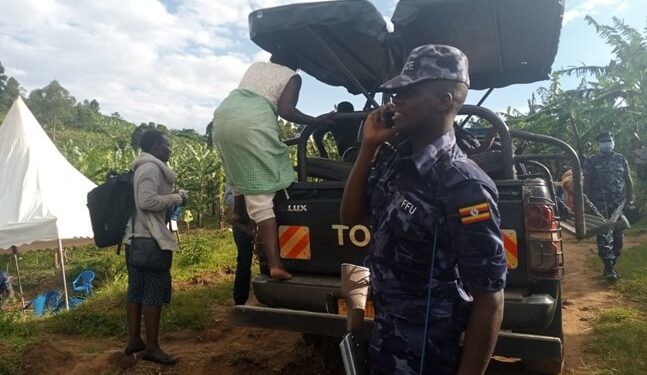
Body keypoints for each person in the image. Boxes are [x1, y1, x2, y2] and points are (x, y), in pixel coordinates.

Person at [341, 45, 507, 375]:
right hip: (386, 348)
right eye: (395, 94)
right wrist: (368, 147)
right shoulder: (398, 164)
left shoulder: (465, 185)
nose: (394, 101)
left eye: (406, 93)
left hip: (431, 360)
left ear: (444, 101)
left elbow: (490, 298)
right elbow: (350, 217)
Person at [212, 51, 332, 281]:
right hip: (251, 124)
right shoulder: (292, 77)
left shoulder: (256, 67)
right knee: (264, 178)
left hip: (223, 118)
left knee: (240, 166)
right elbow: (287, 111)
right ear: (297, 63)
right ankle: (276, 265)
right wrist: (318, 120)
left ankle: (238, 211)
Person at [123, 129, 187, 365]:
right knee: (153, 292)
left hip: (135, 239)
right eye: (167, 145)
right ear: (156, 146)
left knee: (136, 290)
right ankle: (151, 346)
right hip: (150, 240)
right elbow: (146, 201)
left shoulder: (138, 167)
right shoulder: (150, 168)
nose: (170, 149)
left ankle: (134, 341)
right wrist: (176, 198)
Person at [584, 131, 634, 281]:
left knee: (618, 236)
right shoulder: (592, 160)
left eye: (609, 140)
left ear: (613, 142)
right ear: (599, 144)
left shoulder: (621, 159)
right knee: (604, 235)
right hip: (599, 205)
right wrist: (586, 201)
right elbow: (586, 182)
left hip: (619, 205)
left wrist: (630, 199)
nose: (607, 143)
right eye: (604, 141)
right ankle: (609, 267)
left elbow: (628, 180)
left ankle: (612, 262)